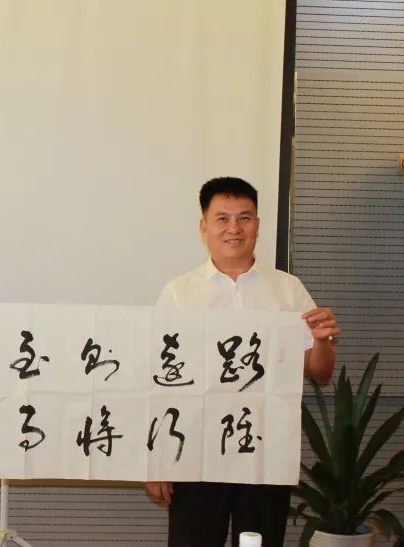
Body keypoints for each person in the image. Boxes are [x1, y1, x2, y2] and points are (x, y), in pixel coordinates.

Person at [145, 176, 339, 547]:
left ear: (258, 225)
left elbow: (320, 371)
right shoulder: (179, 293)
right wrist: (158, 460)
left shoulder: (287, 289)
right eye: (222, 218)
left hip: (264, 451)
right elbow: (160, 380)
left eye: (244, 218)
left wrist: (321, 340)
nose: (234, 228)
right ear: (204, 227)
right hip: (195, 453)